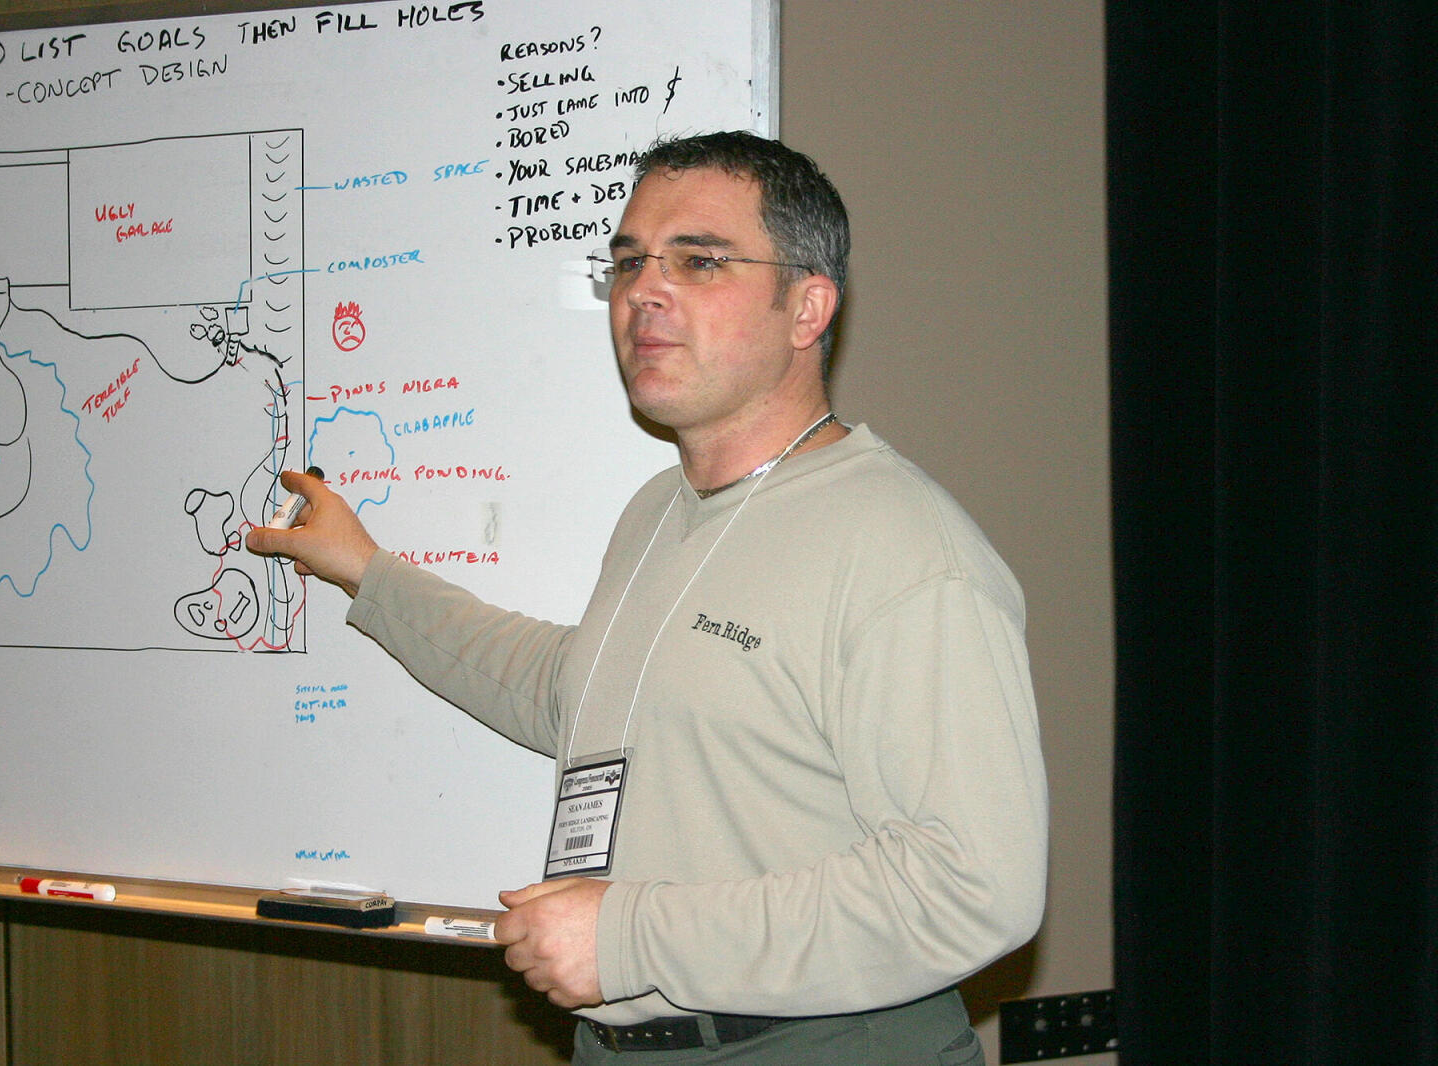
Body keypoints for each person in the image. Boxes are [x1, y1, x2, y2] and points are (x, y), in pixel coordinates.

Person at [246, 131, 1047, 1065]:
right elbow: (570, 689)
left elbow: (974, 886)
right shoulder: (656, 512)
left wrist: (629, 938)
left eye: (698, 260)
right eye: (628, 261)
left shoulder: (905, 547)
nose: (644, 291)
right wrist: (367, 574)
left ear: (808, 306)